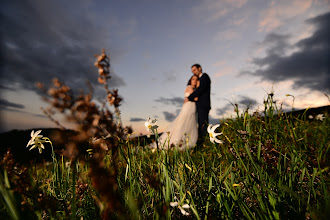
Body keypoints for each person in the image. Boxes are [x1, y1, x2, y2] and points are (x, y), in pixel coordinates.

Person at [152, 75, 199, 149]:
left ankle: (183, 142)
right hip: (188, 108)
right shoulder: (189, 87)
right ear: (190, 80)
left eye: (196, 79)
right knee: (182, 124)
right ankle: (175, 142)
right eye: (193, 79)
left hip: (191, 108)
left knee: (188, 124)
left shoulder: (192, 89)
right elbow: (196, 98)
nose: (195, 81)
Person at [188, 64, 211, 143]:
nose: (193, 72)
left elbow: (201, 89)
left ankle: (207, 142)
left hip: (204, 105)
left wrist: (191, 96)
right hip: (199, 106)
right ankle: (203, 142)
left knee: (203, 125)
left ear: (199, 68)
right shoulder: (199, 79)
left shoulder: (205, 77)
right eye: (192, 71)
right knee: (200, 125)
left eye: (194, 70)